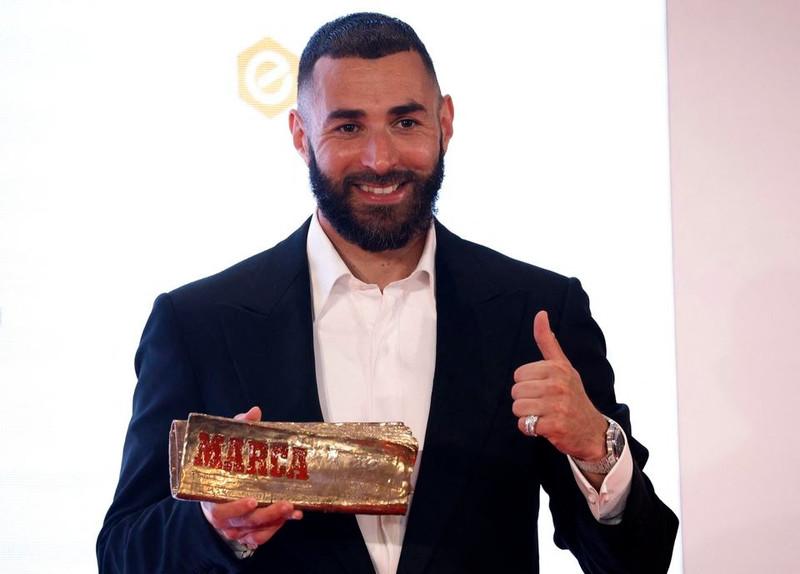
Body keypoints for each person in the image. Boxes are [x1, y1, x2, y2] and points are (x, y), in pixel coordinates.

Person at [97, 12, 678, 574]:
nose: (381, 158)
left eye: (406, 122)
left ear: (444, 122)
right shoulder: (196, 323)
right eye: (348, 126)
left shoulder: (538, 313)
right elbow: (121, 554)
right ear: (301, 134)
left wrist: (595, 449)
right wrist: (212, 530)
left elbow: (639, 562)